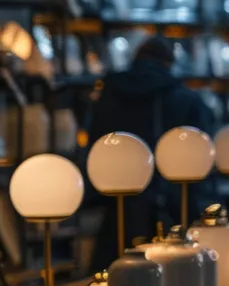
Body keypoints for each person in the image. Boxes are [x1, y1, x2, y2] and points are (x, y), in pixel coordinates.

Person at [83, 37, 217, 270]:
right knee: (176, 275)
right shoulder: (185, 99)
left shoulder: (110, 93)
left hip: (119, 206)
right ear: (169, 63)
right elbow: (203, 152)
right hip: (172, 205)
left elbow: (95, 144)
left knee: (115, 275)